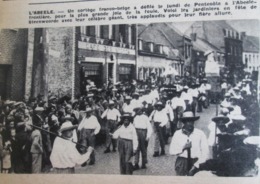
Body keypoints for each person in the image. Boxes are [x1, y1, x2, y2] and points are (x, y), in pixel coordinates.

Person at [169, 111, 209, 176]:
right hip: (182, 162)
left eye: (192, 121)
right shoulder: (178, 134)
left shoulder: (200, 133)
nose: (190, 123)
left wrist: (196, 165)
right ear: (184, 122)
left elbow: (205, 152)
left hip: (196, 162)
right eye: (188, 121)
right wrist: (183, 148)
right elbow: (172, 151)